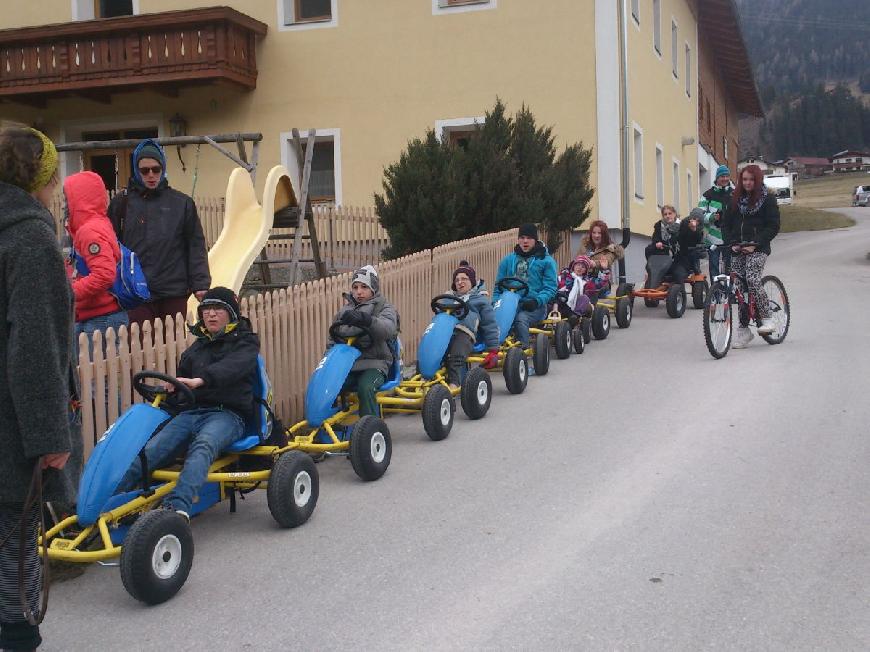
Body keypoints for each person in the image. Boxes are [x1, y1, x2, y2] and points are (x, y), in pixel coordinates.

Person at [0, 127, 81, 652]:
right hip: (12, 424)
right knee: (16, 534)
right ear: (45, 177)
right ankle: (17, 631)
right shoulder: (30, 240)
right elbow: (33, 352)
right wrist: (51, 436)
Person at [117, 287, 259, 518]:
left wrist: (200, 380)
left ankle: (177, 508)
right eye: (207, 310)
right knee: (151, 450)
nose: (211, 315)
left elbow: (232, 368)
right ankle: (108, 504)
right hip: (192, 412)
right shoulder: (197, 347)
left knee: (202, 446)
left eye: (218, 309)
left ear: (231, 313)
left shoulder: (246, 343)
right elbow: (184, 381)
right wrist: (173, 388)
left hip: (228, 414)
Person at [108, 139, 210, 329]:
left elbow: (195, 245)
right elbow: (111, 245)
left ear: (163, 168)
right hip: (136, 293)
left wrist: (200, 282)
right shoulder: (121, 204)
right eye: (144, 170)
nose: (151, 175)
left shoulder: (182, 203)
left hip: (174, 291)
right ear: (136, 171)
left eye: (156, 169)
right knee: (139, 352)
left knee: (174, 349)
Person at [64, 171, 128, 359]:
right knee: (100, 382)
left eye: (68, 198)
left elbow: (104, 274)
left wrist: (69, 291)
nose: (64, 204)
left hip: (100, 317)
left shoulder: (89, 231)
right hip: (98, 316)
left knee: (96, 385)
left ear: (79, 199)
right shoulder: (97, 224)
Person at [721, 164, 781, 348]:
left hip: (758, 247)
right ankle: (744, 330)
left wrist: (755, 243)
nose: (748, 183)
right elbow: (726, 225)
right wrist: (732, 243)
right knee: (739, 288)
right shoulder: (734, 200)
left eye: (751, 179)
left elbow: (773, 226)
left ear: (758, 180)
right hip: (738, 248)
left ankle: (767, 318)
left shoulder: (768, 199)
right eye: (744, 179)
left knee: (753, 278)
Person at [329, 266, 399, 418]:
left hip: (375, 363)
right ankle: (332, 427)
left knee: (365, 387)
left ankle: (371, 429)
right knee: (329, 386)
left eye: (364, 287)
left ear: (373, 288)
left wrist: (367, 320)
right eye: (355, 287)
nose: (359, 292)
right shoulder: (344, 311)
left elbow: (388, 329)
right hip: (349, 365)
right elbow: (332, 339)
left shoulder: (383, 307)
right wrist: (329, 363)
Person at [493, 223, 558, 348]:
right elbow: (498, 287)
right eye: (522, 238)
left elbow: (550, 288)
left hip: (534, 306)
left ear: (535, 240)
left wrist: (537, 301)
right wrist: (496, 303)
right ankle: (492, 347)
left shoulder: (546, 261)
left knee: (521, 318)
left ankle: (522, 349)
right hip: (510, 303)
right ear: (518, 240)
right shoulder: (508, 261)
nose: (525, 241)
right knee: (492, 318)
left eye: (529, 238)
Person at [443, 261, 500, 390]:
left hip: (466, 332)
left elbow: (490, 324)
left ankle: (454, 383)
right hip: (445, 331)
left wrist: (493, 350)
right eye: (457, 280)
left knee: (456, 353)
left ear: (472, 281)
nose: (460, 282)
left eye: (464, 279)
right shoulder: (447, 299)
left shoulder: (479, 300)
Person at [699, 164, 734, 278]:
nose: (724, 179)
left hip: (730, 238)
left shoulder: (735, 194)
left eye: (726, 176)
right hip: (713, 238)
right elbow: (699, 215)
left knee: (729, 269)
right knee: (714, 268)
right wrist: (712, 217)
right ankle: (715, 295)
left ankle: (729, 294)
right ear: (717, 178)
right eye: (722, 176)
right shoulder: (707, 195)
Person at [580, 219, 624, 297]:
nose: (596, 235)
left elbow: (608, 260)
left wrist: (594, 263)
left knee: (587, 287)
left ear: (604, 235)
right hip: (583, 278)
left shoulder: (610, 249)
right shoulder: (585, 247)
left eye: (599, 233)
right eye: (594, 232)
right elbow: (577, 260)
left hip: (601, 281)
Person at [669, 208, 705, 284]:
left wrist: (694, 230)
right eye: (694, 219)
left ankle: (681, 294)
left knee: (679, 274)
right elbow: (676, 239)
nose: (695, 222)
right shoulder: (683, 223)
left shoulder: (699, 231)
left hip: (691, 258)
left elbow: (700, 245)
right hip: (679, 256)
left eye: (698, 220)